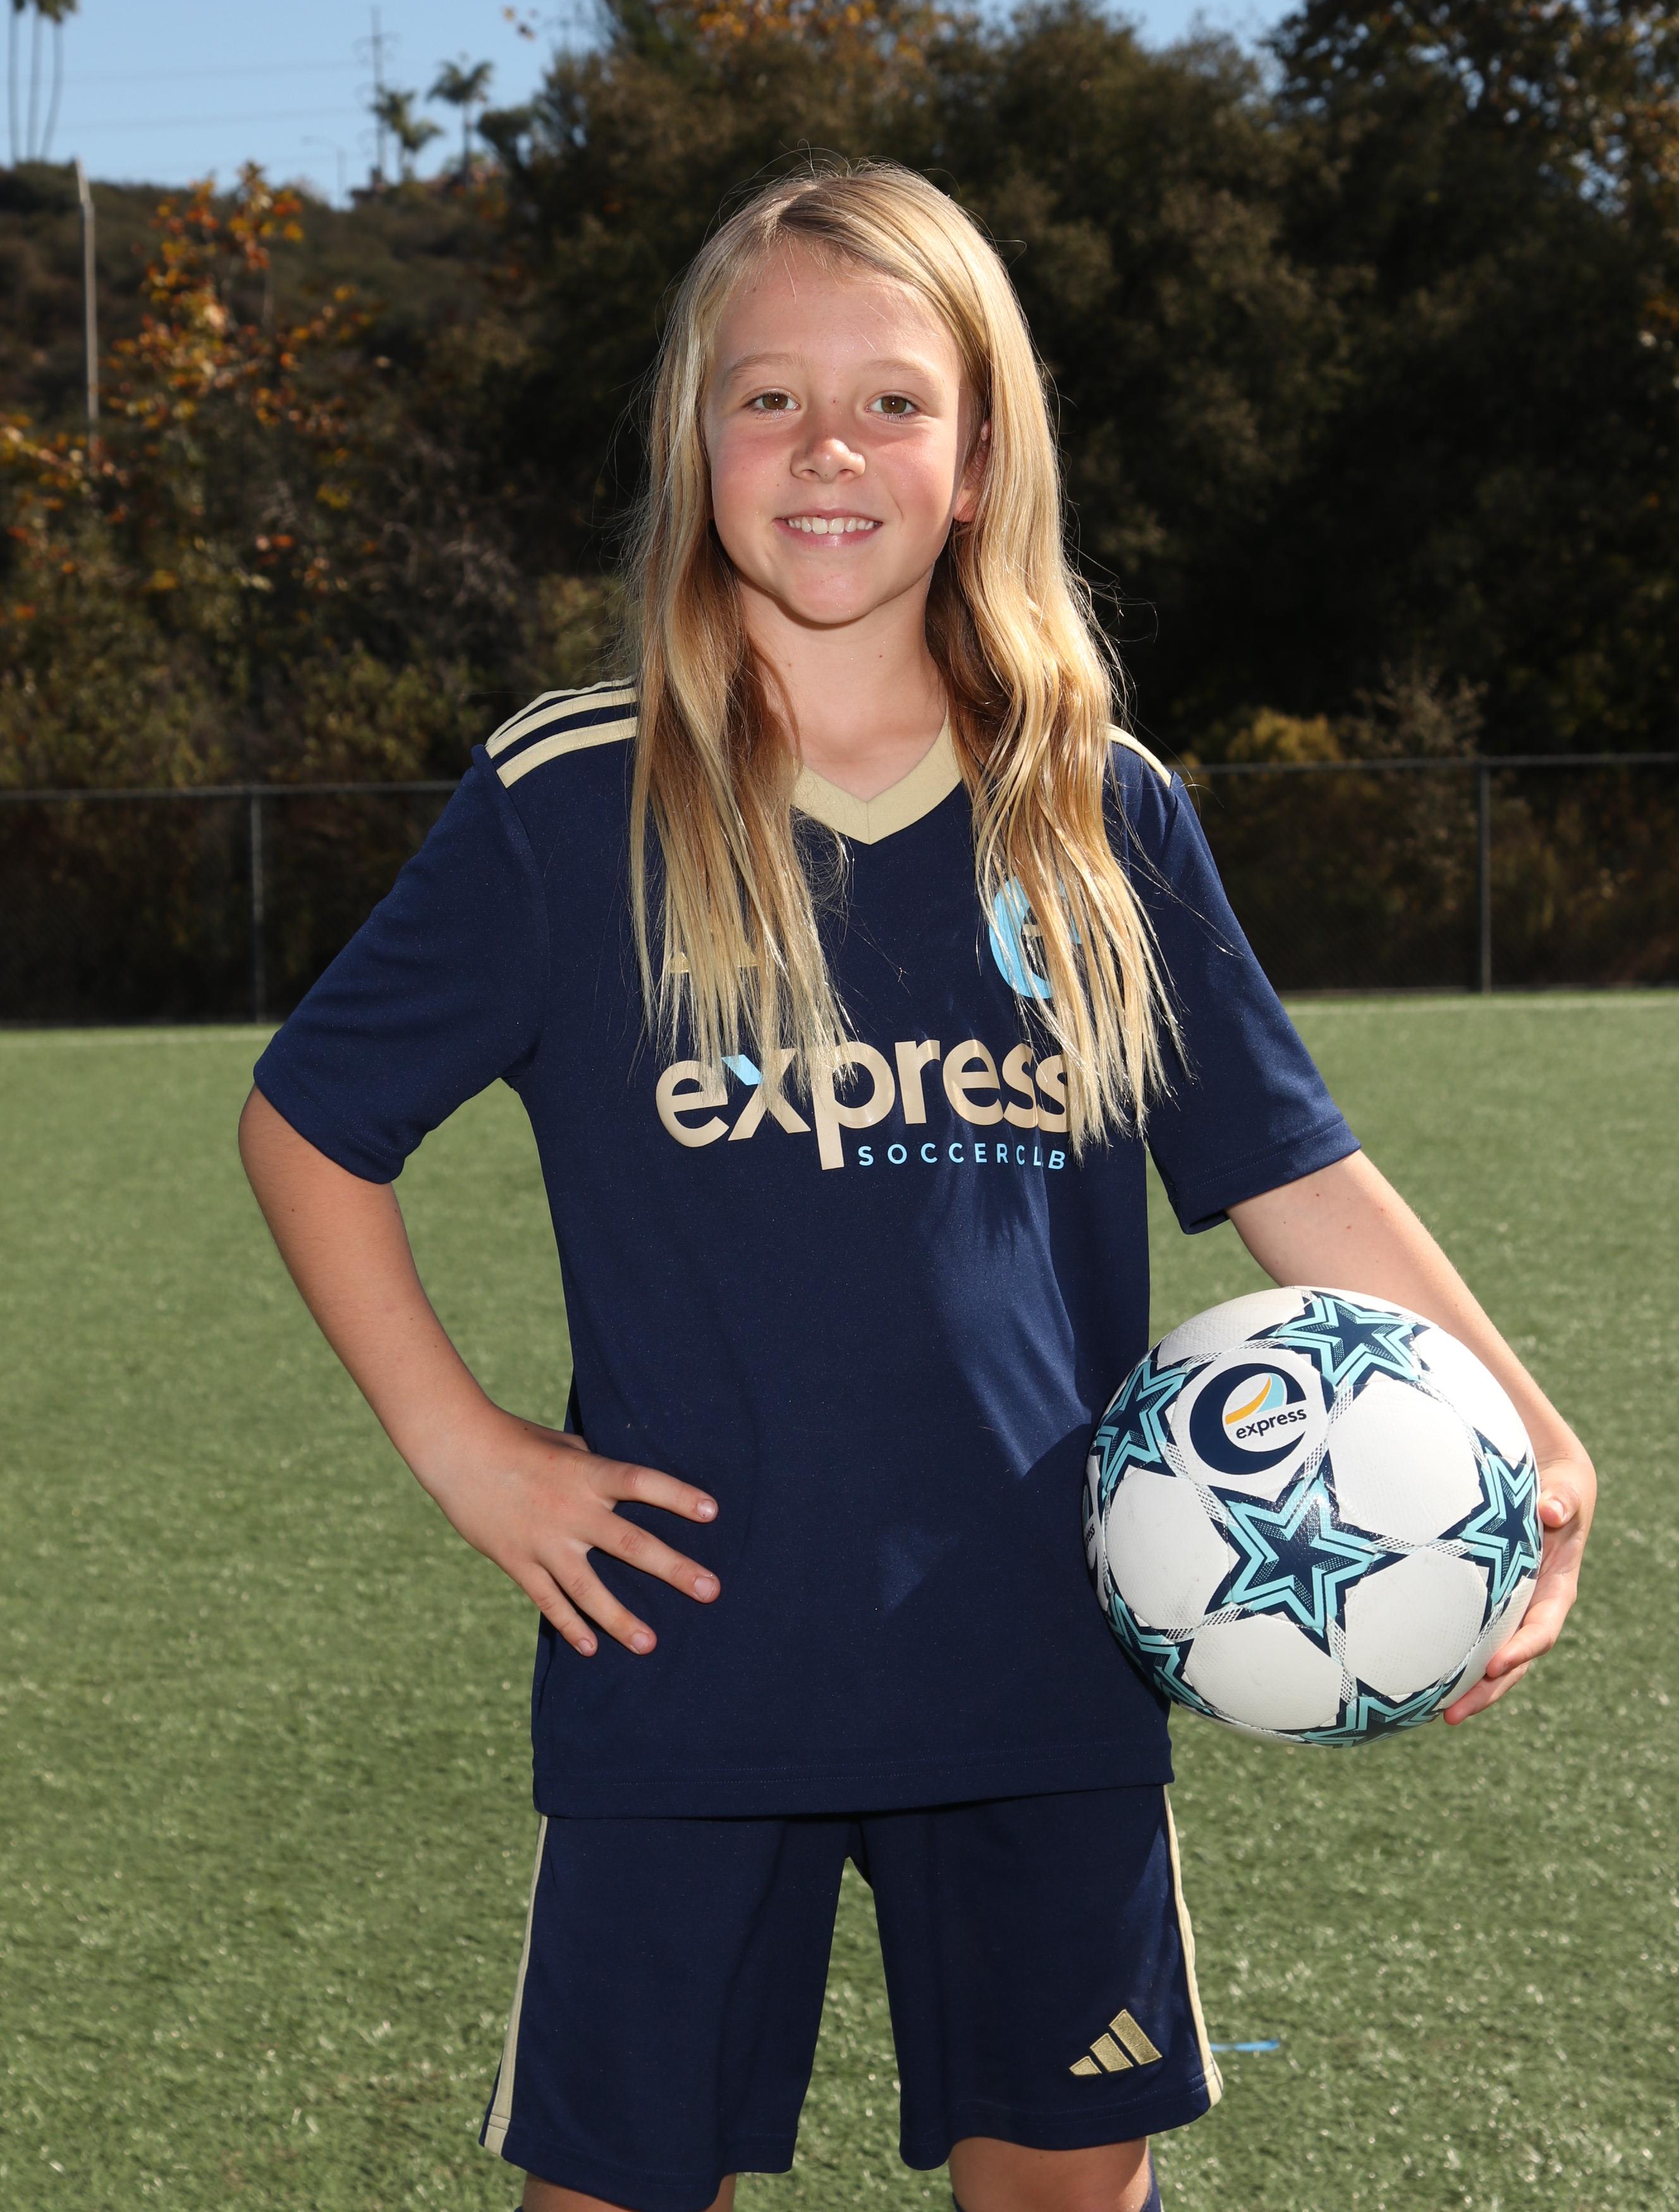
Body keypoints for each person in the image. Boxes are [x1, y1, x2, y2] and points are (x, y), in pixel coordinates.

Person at [239, 163, 1595, 2212]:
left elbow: (1287, 1166)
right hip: (690, 1665)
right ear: (696, 443)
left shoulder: (1096, 807)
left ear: (976, 462)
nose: (828, 449)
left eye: (891, 401)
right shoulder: (573, 798)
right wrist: (468, 1450)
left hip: (1045, 1655)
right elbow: (311, 1122)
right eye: (768, 399)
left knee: (1064, 2186)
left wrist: (1528, 1433)